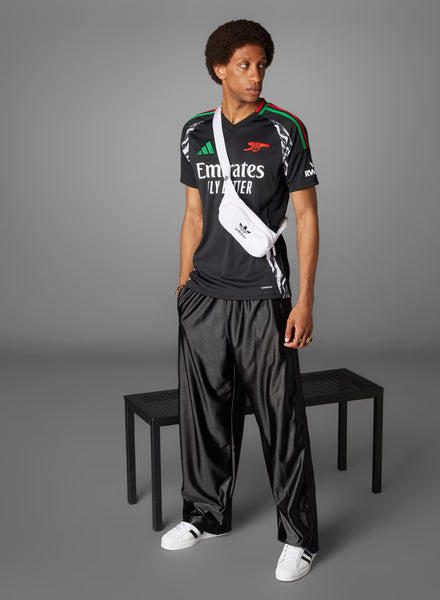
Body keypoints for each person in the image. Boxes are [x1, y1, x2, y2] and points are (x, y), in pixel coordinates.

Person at [161, 20, 320, 582]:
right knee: (204, 413)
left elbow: (306, 217)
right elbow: (193, 215)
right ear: (219, 69)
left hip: (263, 296)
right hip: (204, 297)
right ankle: (204, 515)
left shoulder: (285, 129)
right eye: (244, 65)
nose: (255, 76)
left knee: (281, 419)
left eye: (261, 66)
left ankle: (299, 538)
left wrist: (303, 300)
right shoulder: (194, 131)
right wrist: (184, 285)